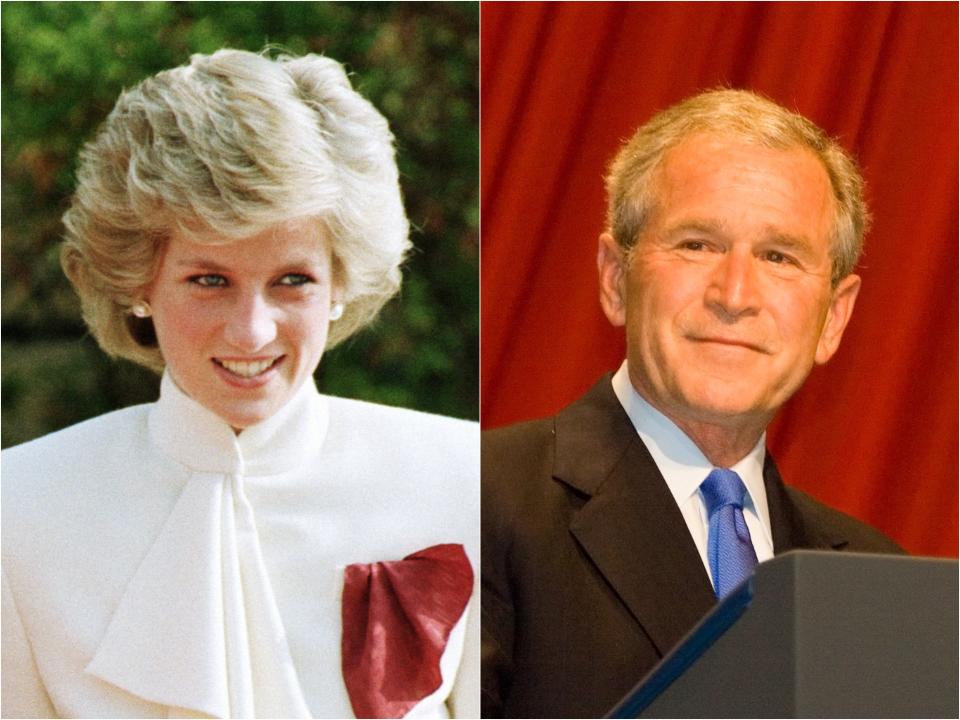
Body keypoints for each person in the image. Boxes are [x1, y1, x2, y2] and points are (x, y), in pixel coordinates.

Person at [2, 49, 478, 719]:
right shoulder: (18, 509)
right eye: (208, 280)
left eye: (292, 280)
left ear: (340, 283)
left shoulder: (470, 476)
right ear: (139, 282)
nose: (251, 333)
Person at [480, 89, 903, 718]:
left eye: (779, 257)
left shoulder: (878, 581)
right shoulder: (478, 494)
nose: (734, 293)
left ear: (834, 318)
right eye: (697, 244)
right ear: (615, 279)